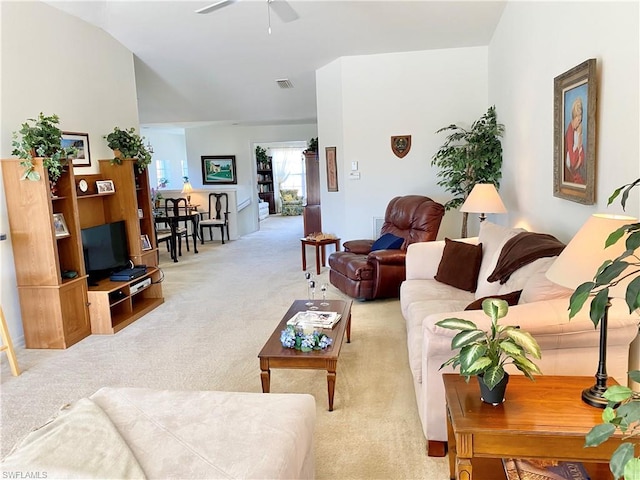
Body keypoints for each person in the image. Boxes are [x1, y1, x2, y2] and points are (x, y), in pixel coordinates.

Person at [564, 97, 586, 185]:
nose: (579, 123)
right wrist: (579, 146)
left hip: (576, 172)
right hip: (571, 173)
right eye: (578, 120)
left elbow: (582, 158)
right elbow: (572, 163)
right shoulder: (570, 133)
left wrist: (580, 146)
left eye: (580, 121)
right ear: (574, 117)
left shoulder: (577, 132)